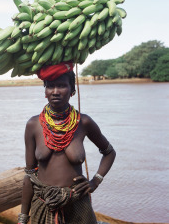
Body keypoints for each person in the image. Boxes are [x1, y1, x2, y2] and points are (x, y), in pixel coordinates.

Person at [18, 61, 116, 224]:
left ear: (72, 90)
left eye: (62, 86)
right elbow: (29, 174)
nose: (55, 91)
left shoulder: (83, 122)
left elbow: (109, 152)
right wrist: (23, 218)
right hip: (43, 204)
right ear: (45, 91)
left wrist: (95, 181)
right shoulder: (33, 125)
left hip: (78, 206)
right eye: (50, 86)